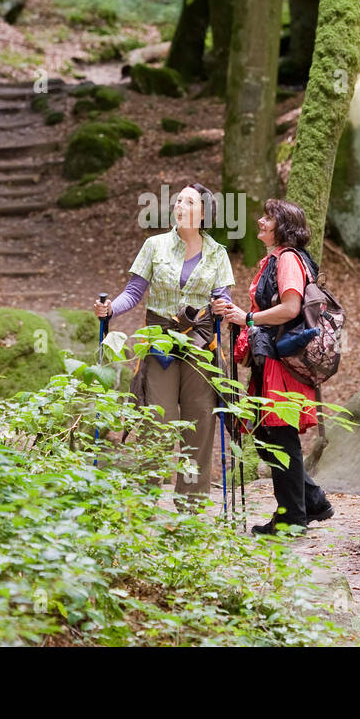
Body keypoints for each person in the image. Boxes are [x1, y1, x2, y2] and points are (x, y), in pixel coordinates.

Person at [94, 183, 234, 507]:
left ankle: (191, 505)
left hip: (200, 343)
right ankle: (146, 500)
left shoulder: (218, 253)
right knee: (159, 417)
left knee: (200, 418)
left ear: (203, 213)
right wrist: (111, 308)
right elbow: (134, 291)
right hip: (160, 341)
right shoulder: (154, 246)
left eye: (188, 201)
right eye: (178, 200)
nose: (179, 205)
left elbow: (222, 297)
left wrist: (222, 308)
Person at [211, 198, 333, 536]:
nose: (261, 222)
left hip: (283, 361)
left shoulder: (289, 260)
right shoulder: (277, 259)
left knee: (279, 435)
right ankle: (312, 501)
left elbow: (291, 308)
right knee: (267, 435)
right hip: (274, 358)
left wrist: (247, 317)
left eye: (268, 218)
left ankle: (292, 517)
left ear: (283, 227)